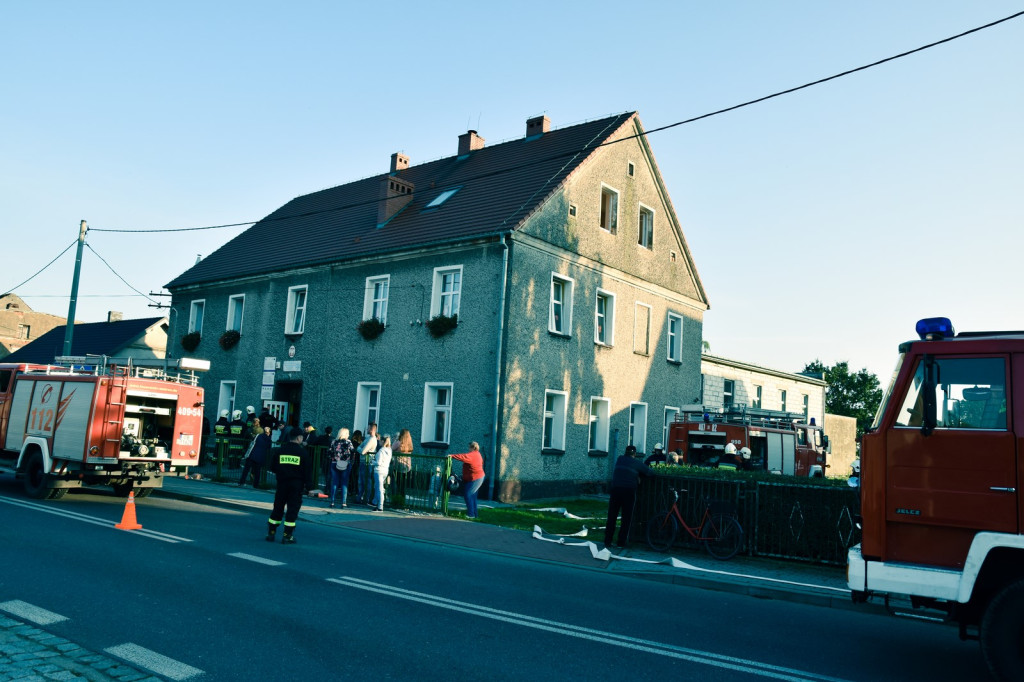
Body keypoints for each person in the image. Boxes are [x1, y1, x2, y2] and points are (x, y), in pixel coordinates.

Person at [266, 426, 313, 544]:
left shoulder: (280, 450)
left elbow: (272, 467)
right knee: (292, 509)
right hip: (296, 486)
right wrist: (310, 488)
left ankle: (271, 533)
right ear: (299, 438)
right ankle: (287, 535)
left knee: (278, 508)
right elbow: (307, 472)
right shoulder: (303, 453)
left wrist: (283, 472)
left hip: (282, 483)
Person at [604, 445, 652, 550]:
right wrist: (639, 476)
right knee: (626, 518)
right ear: (634, 454)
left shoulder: (619, 459)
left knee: (612, 516)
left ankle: (607, 541)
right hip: (628, 491)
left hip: (615, 489)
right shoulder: (636, 463)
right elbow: (650, 472)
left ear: (625, 452)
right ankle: (621, 543)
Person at [448, 442, 485, 519]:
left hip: (476, 478)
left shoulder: (473, 455)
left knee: (468, 494)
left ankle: (471, 514)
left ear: (472, 447)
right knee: (473, 496)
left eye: (469, 448)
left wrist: (452, 456)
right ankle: (475, 514)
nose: (468, 449)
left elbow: (463, 457)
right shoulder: (478, 454)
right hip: (477, 477)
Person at [327, 427, 355, 508]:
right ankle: (343, 503)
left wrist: (334, 458)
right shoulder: (348, 442)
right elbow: (353, 451)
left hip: (334, 463)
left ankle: (332, 502)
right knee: (344, 483)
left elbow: (329, 452)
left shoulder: (334, 441)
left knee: (335, 482)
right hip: (345, 464)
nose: (349, 435)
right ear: (345, 434)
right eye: (348, 433)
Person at [239, 418, 270, 488]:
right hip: (260, 457)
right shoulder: (268, 439)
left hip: (252, 454)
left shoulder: (257, 436)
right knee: (257, 471)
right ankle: (255, 485)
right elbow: (268, 448)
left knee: (246, 469)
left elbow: (251, 443)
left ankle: (241, 482)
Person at [369, 434, 392, 512]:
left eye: (380, 441)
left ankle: (380, 506)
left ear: (382, 441)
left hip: (378, 470)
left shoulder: (381, 450)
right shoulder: (389, 450)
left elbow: (378, 462)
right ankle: (375, 502)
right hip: (385, 470)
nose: (379, 442)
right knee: (379, 487)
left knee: (379, 488)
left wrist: (372, 461)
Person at [358, 423, 378, 503]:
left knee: (366, 481)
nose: (366, 429)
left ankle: (366, 498)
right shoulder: (367, 438)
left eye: (368, 428)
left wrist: (360, 449)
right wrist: (360, 449)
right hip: (363, 461)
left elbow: (362, 451)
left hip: (367, 462)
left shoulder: (372, 439)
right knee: (361, 481)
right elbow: (359, 447)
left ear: (372, 429)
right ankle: (360, 497)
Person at [393, 428, 413, 506]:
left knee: (398, 485)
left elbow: (391, 448)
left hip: (398, 466)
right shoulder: (409, 444)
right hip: (407, 467)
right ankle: (402, 502)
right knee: (403, 486)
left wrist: (395, 439)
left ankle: (398, 502)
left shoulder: (398, 443)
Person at [348, 430, 364, 501]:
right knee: (356, 476)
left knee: (351, 476)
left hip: (351, 460)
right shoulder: (359, 444)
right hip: (357, 461)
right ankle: (356, 490)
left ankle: (350, 490)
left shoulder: (351, 442)